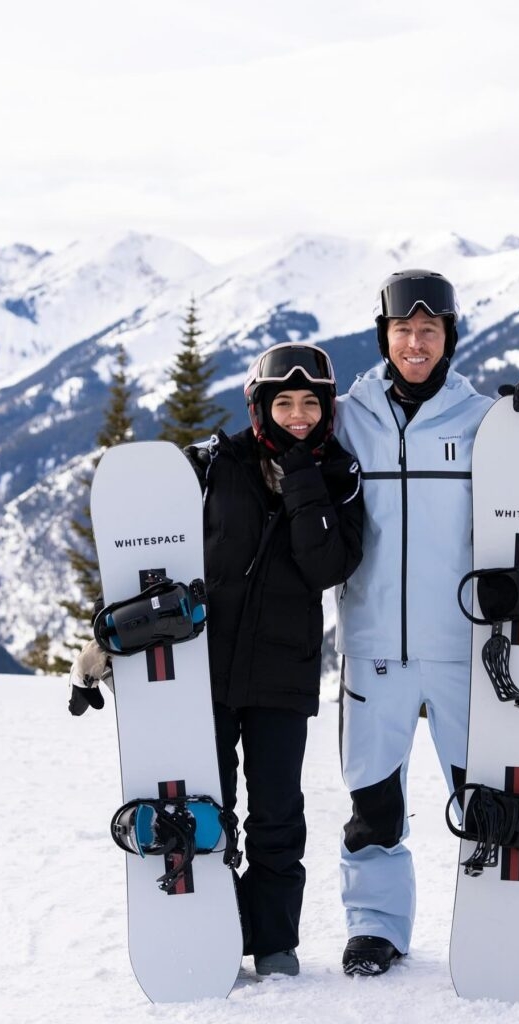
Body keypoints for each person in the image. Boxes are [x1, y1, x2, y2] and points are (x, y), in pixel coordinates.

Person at [70, 342, 363, 979]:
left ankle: (277, 943)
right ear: (259, 405)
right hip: (207, 670)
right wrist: (106, 639)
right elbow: (149, 552)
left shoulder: (338, 477)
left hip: (284, 675)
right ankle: (219, 935)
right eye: (282, 402)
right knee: (212, 806)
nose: (297, 415)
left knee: (278, 812)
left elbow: (329, 565)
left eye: (310, 402)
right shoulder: (211, 465)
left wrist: (304, 479)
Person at [333, 268, 519, 976]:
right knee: (373, 805)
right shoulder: (348, 418)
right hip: (372, 650)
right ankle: (376, 926)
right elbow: (287, 438)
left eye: (428, 331)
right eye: (403, 330)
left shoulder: (481, 422)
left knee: (484, 799)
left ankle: (497, 918)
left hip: (463, 650)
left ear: (449, 338)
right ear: (384, 336)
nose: (414, 342)